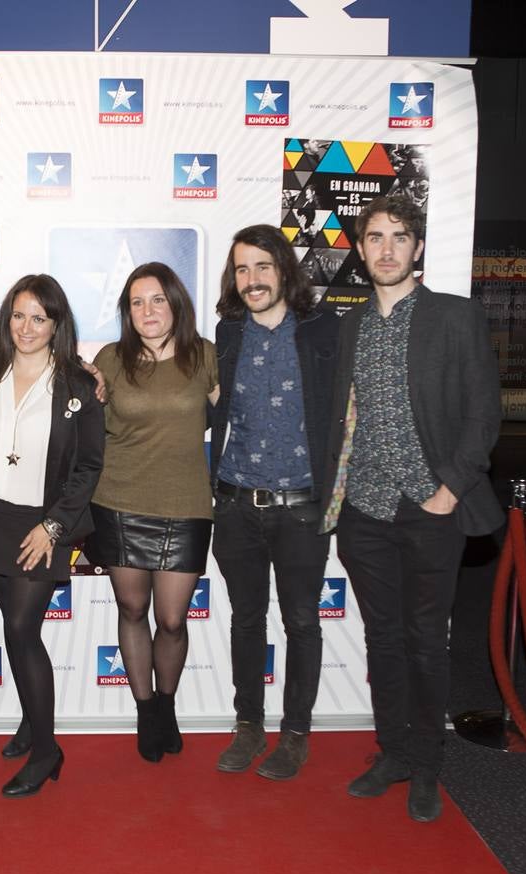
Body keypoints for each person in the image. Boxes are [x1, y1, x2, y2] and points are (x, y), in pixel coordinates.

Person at [322, 194, 502, 823]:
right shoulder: (349, 324)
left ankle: (428, 765)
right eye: (375, 237)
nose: (387, 248)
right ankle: (393, 752)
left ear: (418, 248)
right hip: (364, 512)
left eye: (400, 237)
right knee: (384, 638)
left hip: (432, 509)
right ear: (361, 249)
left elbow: (484, 413)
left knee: (428, 640)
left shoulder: (456, 317)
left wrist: (450, 488)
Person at [208, 225, 338, 781]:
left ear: (284, 269)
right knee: (245, 622)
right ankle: (248, 727)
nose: (252, 279)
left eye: (263, 266)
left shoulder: (322, 330)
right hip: (237, 504)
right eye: (242, 269)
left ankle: (296, 735)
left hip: (302, 506)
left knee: (303, 622)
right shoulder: (227, 333)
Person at [0, 274, 105, 797]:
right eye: (19, 315)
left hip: (42, 524)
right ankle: (32, 719)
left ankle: (47, 749)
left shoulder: (78, 385)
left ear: (56, 325)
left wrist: (53, 527)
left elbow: (88, 466)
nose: (27, 327)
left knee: (22, 629)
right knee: (13, 624)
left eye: (39, 318)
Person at [86, 262, 219, 762]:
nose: (148, 310)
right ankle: (147, 711)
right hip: (119, 500)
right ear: (127, 311)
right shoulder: (111, 360)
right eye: (137, 302)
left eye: (157, 299)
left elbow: (235, 418)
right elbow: (84, 428)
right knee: (132, 610)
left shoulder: (204, 356)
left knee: (171, 619)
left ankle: (168, 702)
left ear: (175, 304)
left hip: (186, 504)